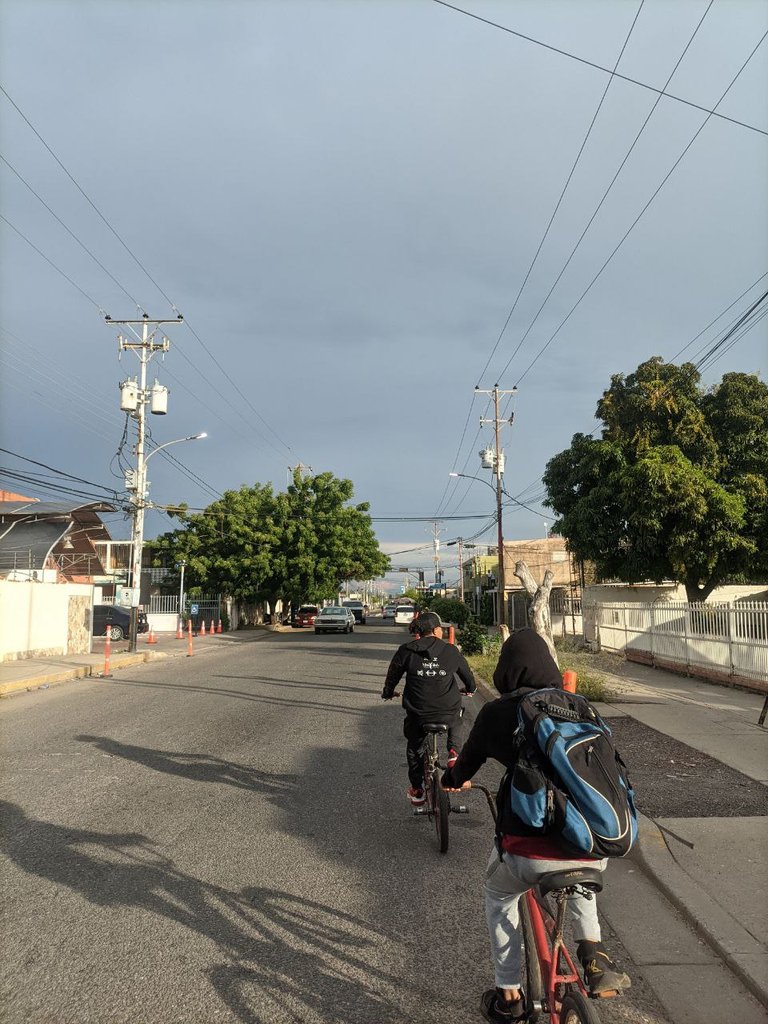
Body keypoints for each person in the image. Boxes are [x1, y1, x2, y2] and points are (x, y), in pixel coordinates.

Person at [441, 627, 630, 1023]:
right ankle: (594, 954)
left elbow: (466, 767)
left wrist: (451, 780)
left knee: (500, 895)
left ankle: (509, 993)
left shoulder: (498, 713)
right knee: (578, 872)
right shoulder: (580, 707)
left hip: (528, 851)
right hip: (596, 844)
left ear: (507, 670)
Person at [382, 610, 476, 805]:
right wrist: (470, 689)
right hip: (447, 710)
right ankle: (454, 753)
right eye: (440, 628)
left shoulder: (406, 650)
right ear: (435, 630)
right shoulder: (451, 650)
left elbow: (393, 675)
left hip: (418, 714)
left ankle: (417, 790)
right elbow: (467, 676)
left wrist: (388, 692)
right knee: (457, 718)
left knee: (414, 748)